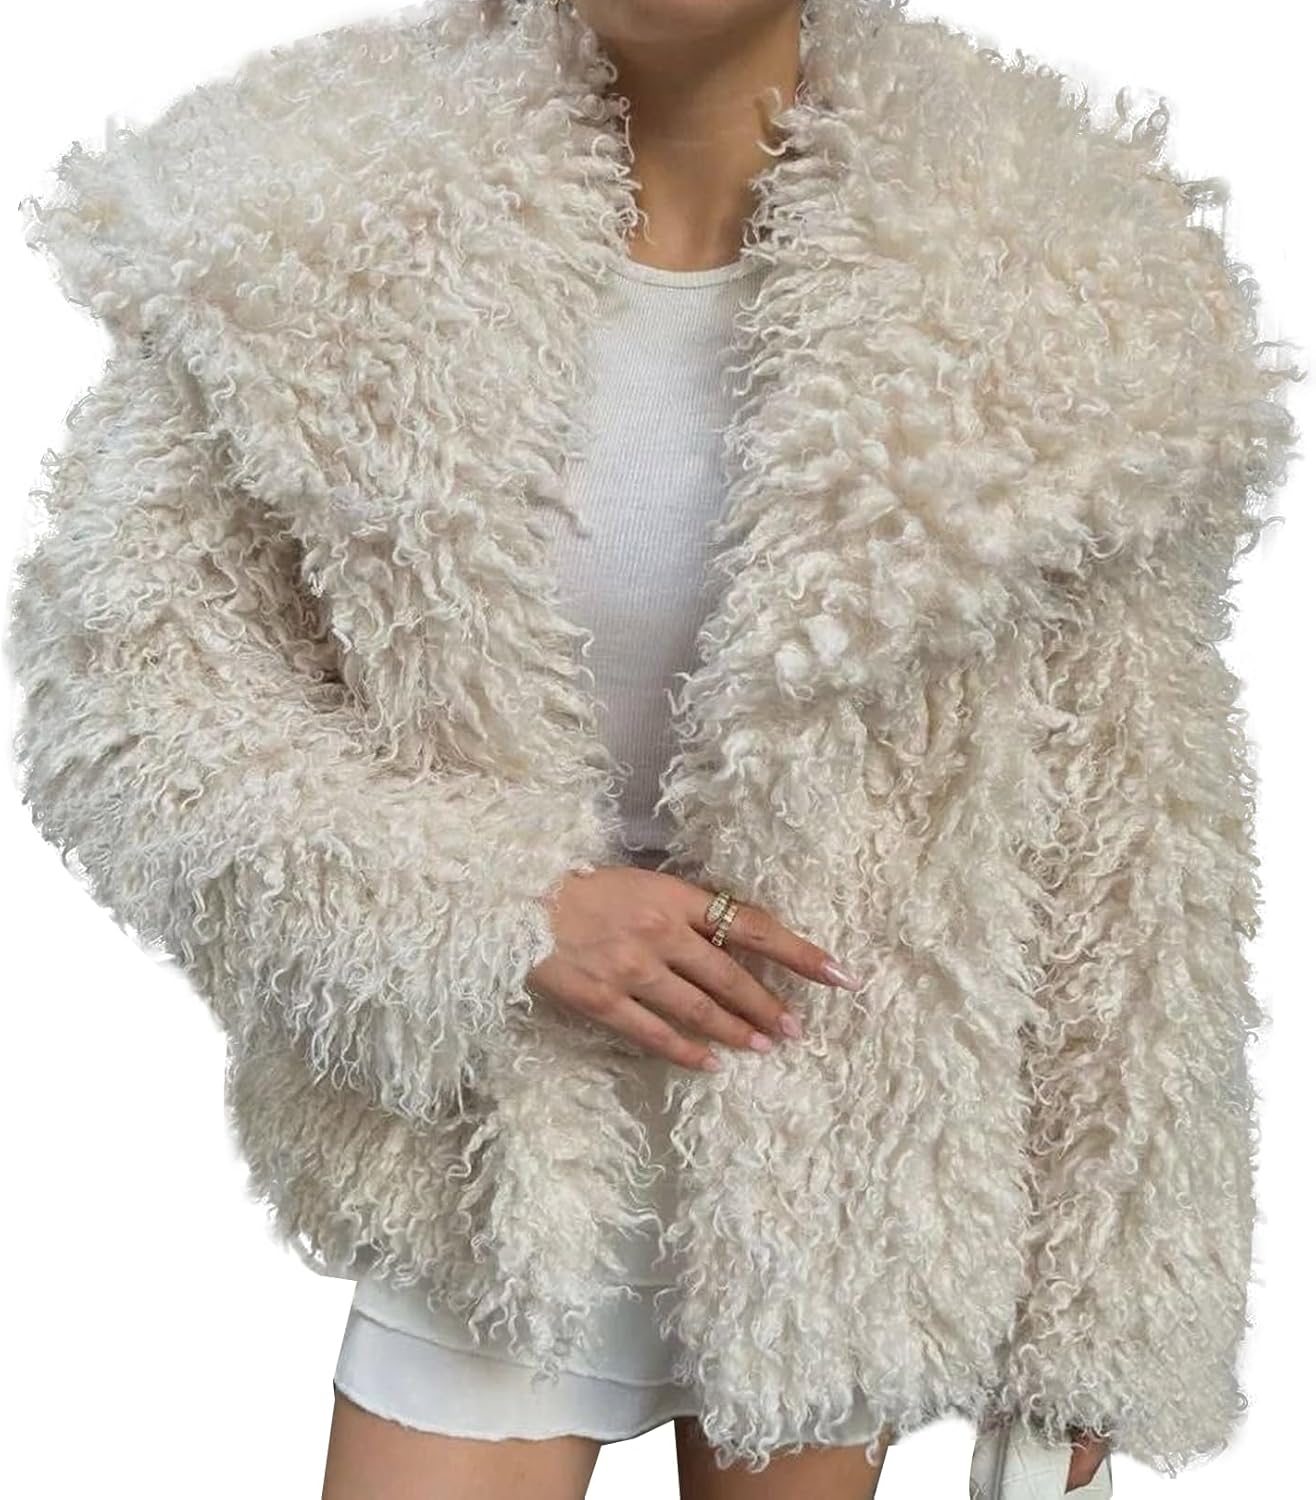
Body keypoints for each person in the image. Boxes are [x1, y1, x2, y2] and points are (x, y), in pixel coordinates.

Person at [6, 2, 1298, 1498]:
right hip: (485, 1133)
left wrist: (1100, 1312)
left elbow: (1138, 834)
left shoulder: (1061, 271)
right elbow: (127, 696)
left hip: (846, 1135)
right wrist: (501, 913)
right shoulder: (302, 223)